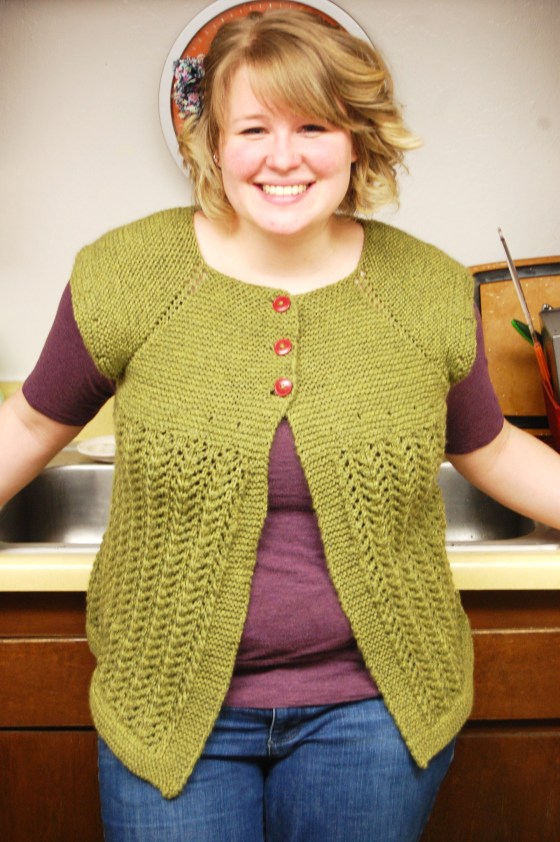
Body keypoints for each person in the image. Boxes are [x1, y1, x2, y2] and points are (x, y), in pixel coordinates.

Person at [1, 9, 560, 841]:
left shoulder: (427, 291)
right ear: (214, 143)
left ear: (356, 138)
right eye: (254, 128)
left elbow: (491, 449)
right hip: (166, 708)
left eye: (313, 126)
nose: (283, 157)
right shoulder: (127, 275)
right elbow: (27, 426)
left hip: (375, 715)